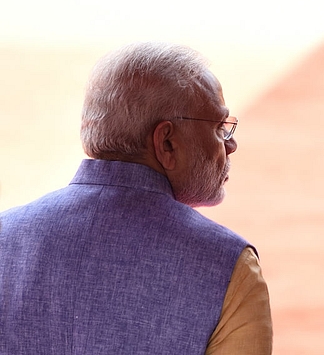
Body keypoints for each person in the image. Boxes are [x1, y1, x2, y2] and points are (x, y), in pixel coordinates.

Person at [0, 42, 272, 354]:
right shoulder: (230, 268)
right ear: (166, 143)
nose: (231, 143)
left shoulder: (5, 235)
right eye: (220, 127)